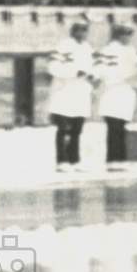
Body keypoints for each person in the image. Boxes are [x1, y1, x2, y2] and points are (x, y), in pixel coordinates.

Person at [94, 25, 137, 172]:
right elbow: (103, 71)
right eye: (124, 34)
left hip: (126, 94)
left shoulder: (131, 51)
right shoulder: (109, 50)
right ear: (117, 35)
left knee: (121, 128)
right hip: (112, 93)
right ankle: (112, 160)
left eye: (129, 34)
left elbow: (135, 71)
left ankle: (121, 159)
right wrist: (126, 77)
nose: (127, 37)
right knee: (113, 127)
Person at [47, 20, 94, 172]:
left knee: (77, 129)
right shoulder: (64, 46)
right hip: (64, 92)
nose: (82, 33)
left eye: (85, 30)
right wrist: (74, 72)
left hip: (80, 94)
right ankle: (62, 161)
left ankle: (75, 160)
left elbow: (92, 68)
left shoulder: (88, 48)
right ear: (73, 31)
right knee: (63, 129)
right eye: (79, 30)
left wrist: (93, 76)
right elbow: (53, 67)